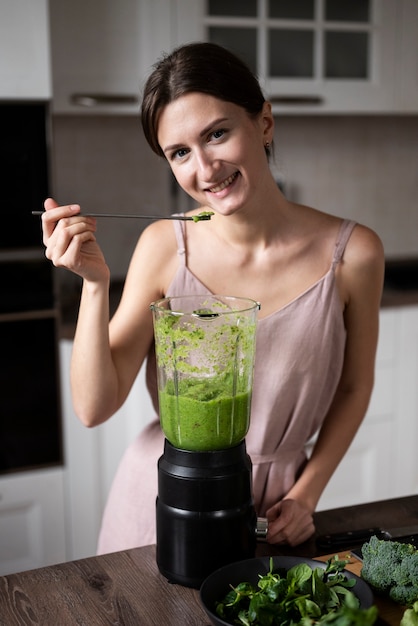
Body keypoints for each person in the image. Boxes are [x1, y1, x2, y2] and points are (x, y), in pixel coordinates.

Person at [41, 42, 384, 552]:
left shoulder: (354, 253)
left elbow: (354, 388)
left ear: (264, 123)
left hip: (277, 507)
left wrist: (307, 494)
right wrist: (95, 284)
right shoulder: (163, 245)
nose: (205, 170)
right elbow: (95, 407)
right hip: (163, 499)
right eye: (180, 153)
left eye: (217, 134)